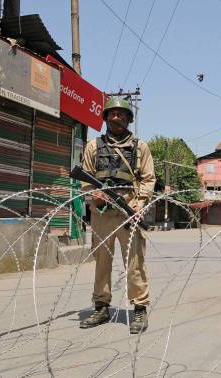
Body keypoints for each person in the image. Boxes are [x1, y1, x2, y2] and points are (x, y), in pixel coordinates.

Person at [79, 96, 156, 334]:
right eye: (112, 114)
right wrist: (94, 195)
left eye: (121, 114)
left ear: (128, 119)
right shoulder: (93, 146)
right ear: (105, 118)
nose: (116, 117)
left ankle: (139, 308)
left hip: (128, 211)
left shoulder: (140, 147)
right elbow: (85, 178)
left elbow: (148, 179)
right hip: (102, 214)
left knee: (134, 263)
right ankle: (101, 306)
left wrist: (139, 203)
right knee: (102, 261)